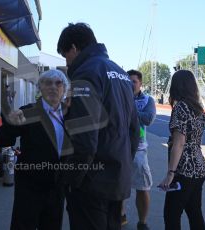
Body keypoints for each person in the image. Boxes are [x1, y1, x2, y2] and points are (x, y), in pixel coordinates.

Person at [57, 23, 140, 230]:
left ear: (74, 48)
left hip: (91, 184)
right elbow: (134, 130)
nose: (66, 62)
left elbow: (84, 140)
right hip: (118, 178)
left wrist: (70, 179)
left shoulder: (85, 74)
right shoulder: (120, 72)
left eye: (65, 55)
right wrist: (122, 164)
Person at [0, 69, 71, 230]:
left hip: (57, 186)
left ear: (64, 88)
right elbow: (1, 140)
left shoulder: (71, 113)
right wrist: (9, 122)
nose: (53, 87)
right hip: (30, 186)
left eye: (58, 83)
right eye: (48, 83)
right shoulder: (28, 111)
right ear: (40, 88)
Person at [158, 70, 205, 230]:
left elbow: (179, 142)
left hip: (184, 170)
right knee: (194, 211)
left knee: (171, 214)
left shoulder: (180, 107)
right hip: (199, 167)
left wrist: (170, 173)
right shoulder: (198, 109)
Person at [121, 70, 156, 230]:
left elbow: (148, 119)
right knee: (120, 186)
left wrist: (128, 110)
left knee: (143, 188)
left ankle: (142, 222)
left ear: (140, 83)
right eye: (128, 81)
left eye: (134, 81)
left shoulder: (148, 100)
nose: (130, 84)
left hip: (139, 151)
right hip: (119, 148)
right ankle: (120, 216)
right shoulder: (119, 96)